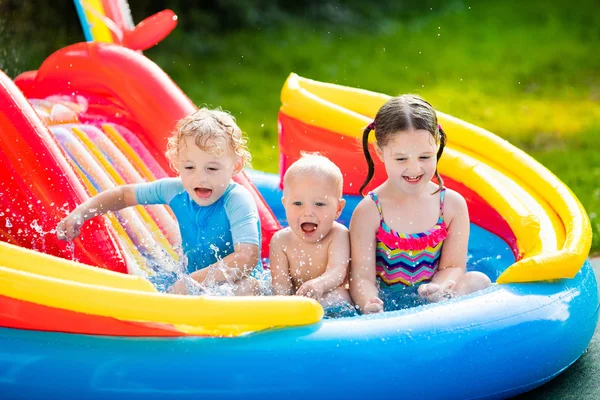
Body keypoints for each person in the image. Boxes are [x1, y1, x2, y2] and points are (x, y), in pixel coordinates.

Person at [57, 108, 261, 296]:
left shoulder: (237, 200)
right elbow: (124, 195)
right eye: (190, 168)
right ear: (177, 163)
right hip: (193, 285)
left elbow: (247, 257)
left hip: (232, 285)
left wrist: (190, 282)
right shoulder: (175, 190)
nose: (201, 178)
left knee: (249, 287)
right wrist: (81, 213)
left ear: (236, 166)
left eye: (213, 169)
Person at [349, 95, 491, 314]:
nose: (414, 169)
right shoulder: (370, 211)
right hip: (388, 309)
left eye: (425, 157)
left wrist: (440, 287)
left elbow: (453, 267)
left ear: (437, 145)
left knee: (477, 281)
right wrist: (370, 303)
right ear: (380, 152)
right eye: (401, 159)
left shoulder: (451, 205)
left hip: (433, 304)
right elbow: (361, 277)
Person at [269, 153, 353, 314]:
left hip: (327, 294)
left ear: (338, 209)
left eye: (319, 204)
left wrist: (319, 284)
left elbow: (337, 272)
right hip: (296, 299)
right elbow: (280, 284)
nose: (308, 212)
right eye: (298, 203)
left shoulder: (338, 235)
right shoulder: (280, 240)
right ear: (285, 204)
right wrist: (285, 307)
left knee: (339, 297)